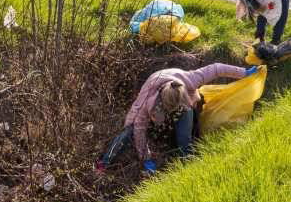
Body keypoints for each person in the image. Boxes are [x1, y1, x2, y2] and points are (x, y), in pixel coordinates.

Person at [96, 63, 255, 175]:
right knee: (128, 129)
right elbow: (139, 132)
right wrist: (146, 158)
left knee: (184, 134)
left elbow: (217, 69)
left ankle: (186, 157)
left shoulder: (190, 80)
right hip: (153, 92)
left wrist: (244, 73)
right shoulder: (146, 104)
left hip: (179, 89)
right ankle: (105, 162)